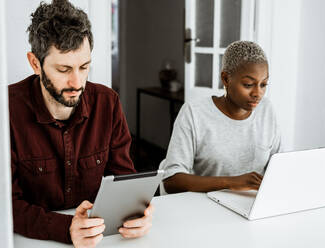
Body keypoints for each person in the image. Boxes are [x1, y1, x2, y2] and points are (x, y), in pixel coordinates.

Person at [9, 0, 153, 246]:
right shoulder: (7, 109)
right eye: (64, 69)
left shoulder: (107, 103)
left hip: (101, 237)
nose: (77, 82)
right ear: (35, 64)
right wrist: (66, 229)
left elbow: (123, 180)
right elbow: (5, 203)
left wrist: (137, 213)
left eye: (84, 67)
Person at [160, 41, 281, 194]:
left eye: (263, 84)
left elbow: (279, 167)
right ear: (225, 79)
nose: (258, 93)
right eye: (248, 84)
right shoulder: (194, 113)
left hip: (250, 206)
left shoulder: (266, 110)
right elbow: (172, 181)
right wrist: (232, 183)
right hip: (205, 206)